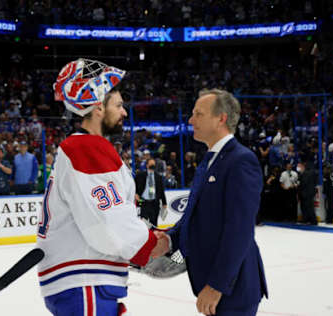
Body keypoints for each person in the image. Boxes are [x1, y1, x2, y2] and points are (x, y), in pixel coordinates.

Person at [37, 59, 164, 316]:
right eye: (118, 105)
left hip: (83, 282)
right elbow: (108, 221)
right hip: (85, 281)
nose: (124, 112)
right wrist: (150, 244)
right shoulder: (86, 148)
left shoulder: (82, 147)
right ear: (97, 107)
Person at [153, 89, 268, 316]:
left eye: (198, 114)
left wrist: (217, 286)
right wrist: (168, 239)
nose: (190, 120)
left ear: (221, 118)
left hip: (233, 289)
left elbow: (240, 230)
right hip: (217, 287)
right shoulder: (210, 160)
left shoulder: (241, 160)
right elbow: (194, 218)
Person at [135, 158, 167, 227]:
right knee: (144, 224)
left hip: (154, 204)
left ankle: (154, 237)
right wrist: (135, 194)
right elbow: (134, 186)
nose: (153, 164)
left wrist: (164, 203)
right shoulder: (140, 175)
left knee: (154, 224)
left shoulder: (158, 177)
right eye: (151, 163)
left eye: (154, 163)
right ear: (147, 165)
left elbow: (161, 191)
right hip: (144, 203)